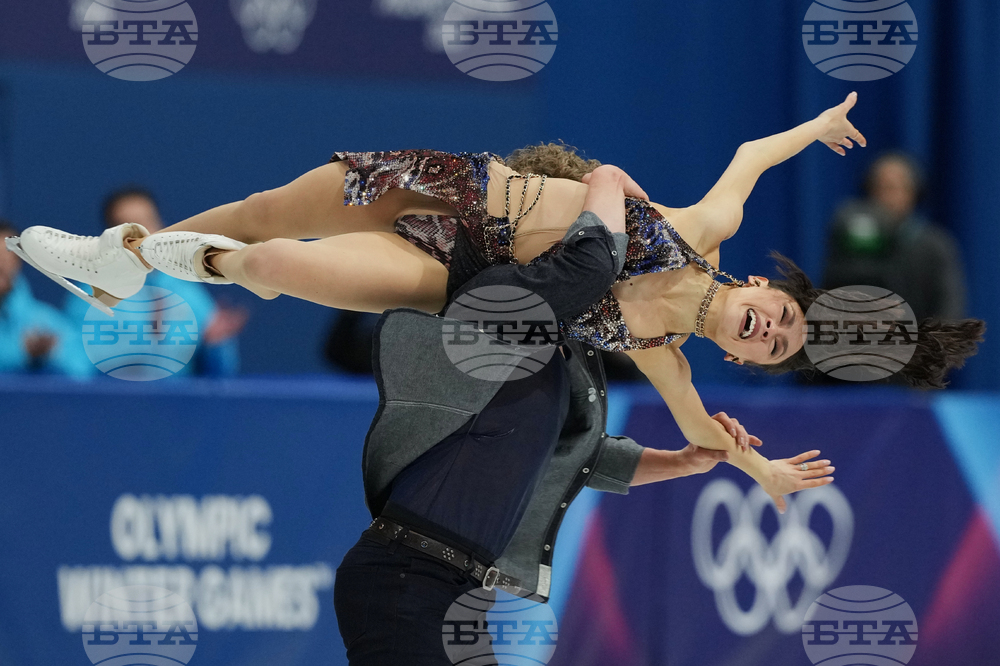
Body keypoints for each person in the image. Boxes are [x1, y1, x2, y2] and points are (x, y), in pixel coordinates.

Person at [7, 93, 984, 495]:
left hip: (450, 278)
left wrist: (757, 473)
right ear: (763, 289)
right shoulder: (704, 230)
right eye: (783, 316)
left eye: (774, 345)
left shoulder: (664, 353)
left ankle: (133, 258)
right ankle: (121, 257)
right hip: (456, 188)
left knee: (270, 268)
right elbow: (744, 157)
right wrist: (812, 128)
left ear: (743, 355)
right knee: (263, 210)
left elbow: (706, 432)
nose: (772, 329)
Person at [336, 166, 834, 665]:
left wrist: (688, 461)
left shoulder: (568, 360)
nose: (613, 248)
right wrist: (604, 201)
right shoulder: (493, 313)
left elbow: (582, 457)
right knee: (265, 260)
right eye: (592, 232)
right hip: (404, 576)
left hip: (460, 594)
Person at [61, 186, 248, 377]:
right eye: (127, 227)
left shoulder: (188, 293)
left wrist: (214, 346)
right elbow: (77, 373)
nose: (141, 236)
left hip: (177, 405)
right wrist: (150, 340)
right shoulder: (88, 298)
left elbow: (220, 379)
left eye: (147, 222)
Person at [823, 151, 968, 321]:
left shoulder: (934, 245)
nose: (886, 197)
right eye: (879, 188)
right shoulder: (850, 239)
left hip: (921, 341)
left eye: (893, 188)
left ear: (913, 193)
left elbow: (949, 307)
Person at [0, 221, 93, 378]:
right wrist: (21, 354)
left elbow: (82, 370)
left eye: (6, 253)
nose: (0, 262)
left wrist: (49, 354)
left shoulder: (45, 322)